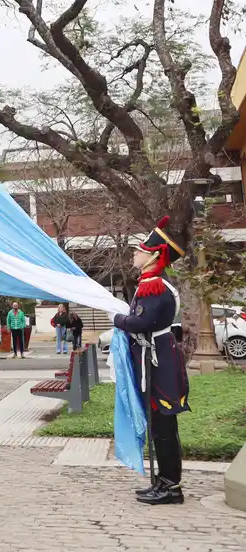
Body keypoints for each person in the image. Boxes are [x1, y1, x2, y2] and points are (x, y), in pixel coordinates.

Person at [114, 216, 190, 505]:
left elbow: (138, 322)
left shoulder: (155, 285)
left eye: (140, 250)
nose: (135, 254)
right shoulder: (150, 283)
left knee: (164, 425)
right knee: (159, 425)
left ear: (154, 255)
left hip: (159, 364)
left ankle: (171, 487)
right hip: (154, 361)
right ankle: (163, 483)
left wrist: (117, 318)